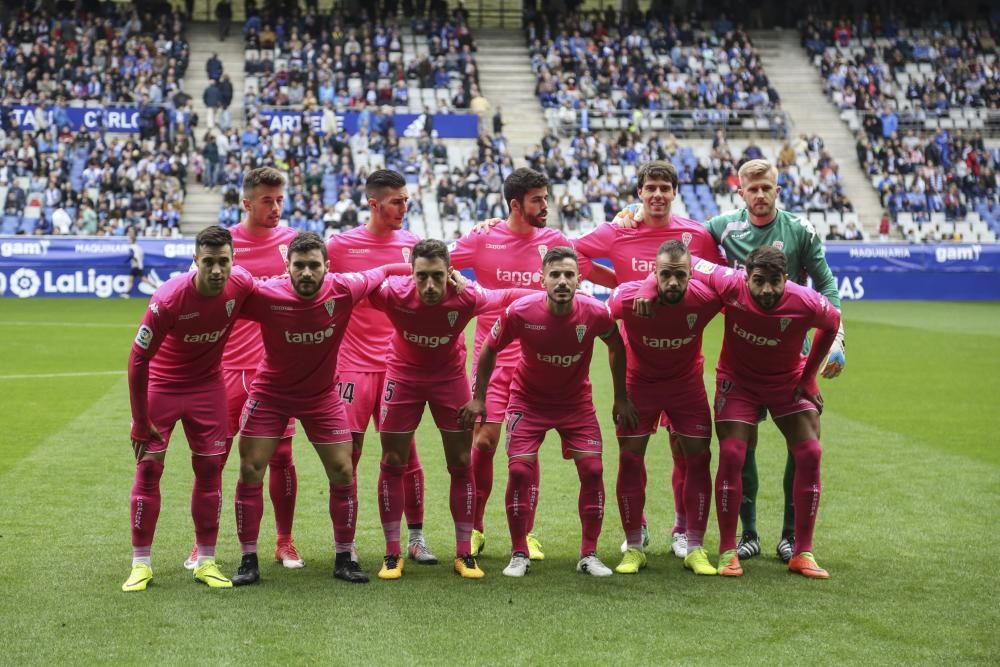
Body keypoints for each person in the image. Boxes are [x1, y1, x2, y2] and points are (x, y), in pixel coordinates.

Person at [616, 158, 846, 563]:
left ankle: (793, 540)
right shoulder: (721, 229)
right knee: (740, 449)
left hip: (792, 354)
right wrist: (642, 241)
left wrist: (833, 344)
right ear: (740, 192)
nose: (760, 195)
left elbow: (826, 287)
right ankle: (743, 537)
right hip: (738, 366)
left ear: (778, 189)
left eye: (767, 188)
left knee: (805, 449)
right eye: (752, 189)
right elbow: (681, 254)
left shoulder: (800, 231)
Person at [639, 247, 841, 578]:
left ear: (786, 280)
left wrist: (809, 379)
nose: (766, 290)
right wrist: (650, 284)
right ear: (746, 278)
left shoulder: (804, 300)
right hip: (739, 383)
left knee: (810, 452)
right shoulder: (729, 283)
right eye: (758, 282)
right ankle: (728, 551)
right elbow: (680, 260)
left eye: (774, 282)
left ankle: (803, 552)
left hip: (787, 382)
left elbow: (831, 323)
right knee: (732, 453)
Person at [448, 167, 615, 562]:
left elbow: (589, 270)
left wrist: (632, 283)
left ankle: (528, 533)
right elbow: (437, 260)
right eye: (538, 199)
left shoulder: (555, 242)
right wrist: (462, 285)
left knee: (527, 448)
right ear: (515, 204)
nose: (546, 206)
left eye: (546, 197)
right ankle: (474, 528)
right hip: (493, 354)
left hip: (538, 360)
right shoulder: (483, 237)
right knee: (484, 443)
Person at [230, 232, 409, 586]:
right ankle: (248, 559)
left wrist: (446, 273)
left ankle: (344, 556)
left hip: (321, 397)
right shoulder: (266, 294)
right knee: (250, 469)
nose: (307, 273)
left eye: (315, 266)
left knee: (343, 470)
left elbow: (388, 269)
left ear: (328, 267)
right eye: (300, 266)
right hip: (270, 393)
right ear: (287, 267)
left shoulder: (345, 288)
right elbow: (223, 295)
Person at [574, 160, 726, 558]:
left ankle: (681, 527)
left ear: (675, 192)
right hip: (634, 360)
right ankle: (636, 528)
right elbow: (573, 253)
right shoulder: (618, 230)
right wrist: (616, 283)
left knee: (682, 448)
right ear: (639, 193)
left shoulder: (695, 235)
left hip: (681, 358)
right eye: (650, 188)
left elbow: (718, 278)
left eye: (664, 188)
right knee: (632, 451)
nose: (657, 195)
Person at [459, 246, 638, 578]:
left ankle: (589, 554)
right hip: (528, 402)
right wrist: (480, 398)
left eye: (569, 275)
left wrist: (621, 398)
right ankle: (518, 553)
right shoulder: (521, 312)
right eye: (554, 275)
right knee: (520, 474)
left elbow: (616, 344)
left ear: (579, 279)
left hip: (576, 404)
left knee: (593, 470)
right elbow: (489, 347)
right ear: (542, 279)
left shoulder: (595, 313)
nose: (562, 281)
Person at [368, 239, 533, 579]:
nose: (429, 285)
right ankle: (391, 553)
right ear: (411, 274)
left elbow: (508, 295)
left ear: (450, 274)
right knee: (392, 461)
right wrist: (390, 270)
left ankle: (463, 554)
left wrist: (558, 293)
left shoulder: (467, 296)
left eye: (437, 277)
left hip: (450, 381)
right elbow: (352, 288)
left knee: (460, 463)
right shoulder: (394, 294)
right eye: (421, 276)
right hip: (403, 379)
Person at [183, 167, 303, 572]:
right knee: (213, 459)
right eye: (267, 200)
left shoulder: (292, 244)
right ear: (247, 203)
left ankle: (284, 541)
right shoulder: (224, 246)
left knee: (282, 457)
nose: (276, 207)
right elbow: (192, 293)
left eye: (280, 200)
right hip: (224, 370)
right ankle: (203, 546)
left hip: (274, 371)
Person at [123, 226, 255, 592]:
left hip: (208, 390)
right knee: (149, 471)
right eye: (209, 262)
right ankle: (141, 564)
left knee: (211, 470)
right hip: (162, 390)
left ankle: (207, 561)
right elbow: (137, 360)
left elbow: (274, 305)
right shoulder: (168, 299)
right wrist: (139, 419)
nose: (217, 270)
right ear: (195, 261)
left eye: (223, 262)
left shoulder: (241, 285)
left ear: (233, 261)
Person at [326, 169, 437, 565]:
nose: (404, 208)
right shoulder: (340, 246)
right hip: (353, 367)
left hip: (397, 366)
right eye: (396, 201)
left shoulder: (414, 246)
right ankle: (347, 542)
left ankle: (417, 538)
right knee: (347, 456)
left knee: (406, 455)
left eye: (406, 200)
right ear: (373, 204)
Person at [606, 240, 723, 575]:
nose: (673, 283)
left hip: (686, 387)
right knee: (630, 459)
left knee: (699, 459)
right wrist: (618, 396)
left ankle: (694, 545)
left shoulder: (705, 298)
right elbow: (597, 322)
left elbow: (738, 289)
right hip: (639, 387)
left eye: (680, 276)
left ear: (691, 276)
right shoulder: (628, 298)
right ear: (653, 273)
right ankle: (634, 545)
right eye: (665, 275)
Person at [122, 226, 154, 298]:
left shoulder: (132, 247)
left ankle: (156, 287)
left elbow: (134, 256)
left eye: (129, 240)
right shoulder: (138, 247)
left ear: (131, 240)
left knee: (142, 279)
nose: (128, 241)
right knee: (132, 279)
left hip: (137, 266)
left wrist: (128, 260)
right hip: (137, 266)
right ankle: (127, 293)